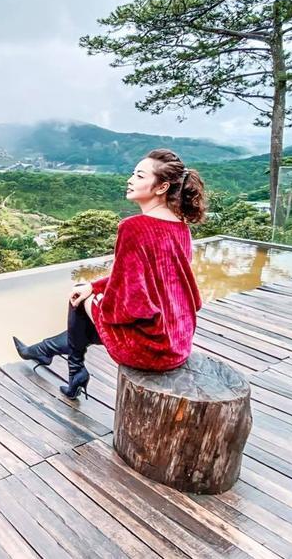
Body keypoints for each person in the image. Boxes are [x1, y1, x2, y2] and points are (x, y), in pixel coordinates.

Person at [13, 148, 206, 399]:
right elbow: (150, 280)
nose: (130, 180)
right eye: (133, 174)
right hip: (178, 342)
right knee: (87, 296)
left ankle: (73, 370)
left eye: (139, 176)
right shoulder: (180, 227)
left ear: (162, 187)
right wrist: (95, 287)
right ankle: (44, 351)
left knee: (78, 298)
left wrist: (95, 299)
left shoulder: (134, 227)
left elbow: (127, 304)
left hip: (151, 351)